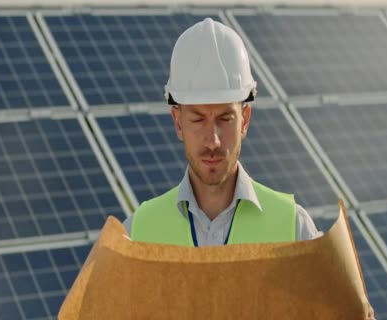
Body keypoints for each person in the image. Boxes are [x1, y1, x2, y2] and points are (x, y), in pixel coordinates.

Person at [121, 17, 374, 318]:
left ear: (246, 119)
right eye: (198, 119)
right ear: (178, 122)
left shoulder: (293, 229)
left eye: (225, 119)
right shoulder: (136, 235)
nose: (212, 140)